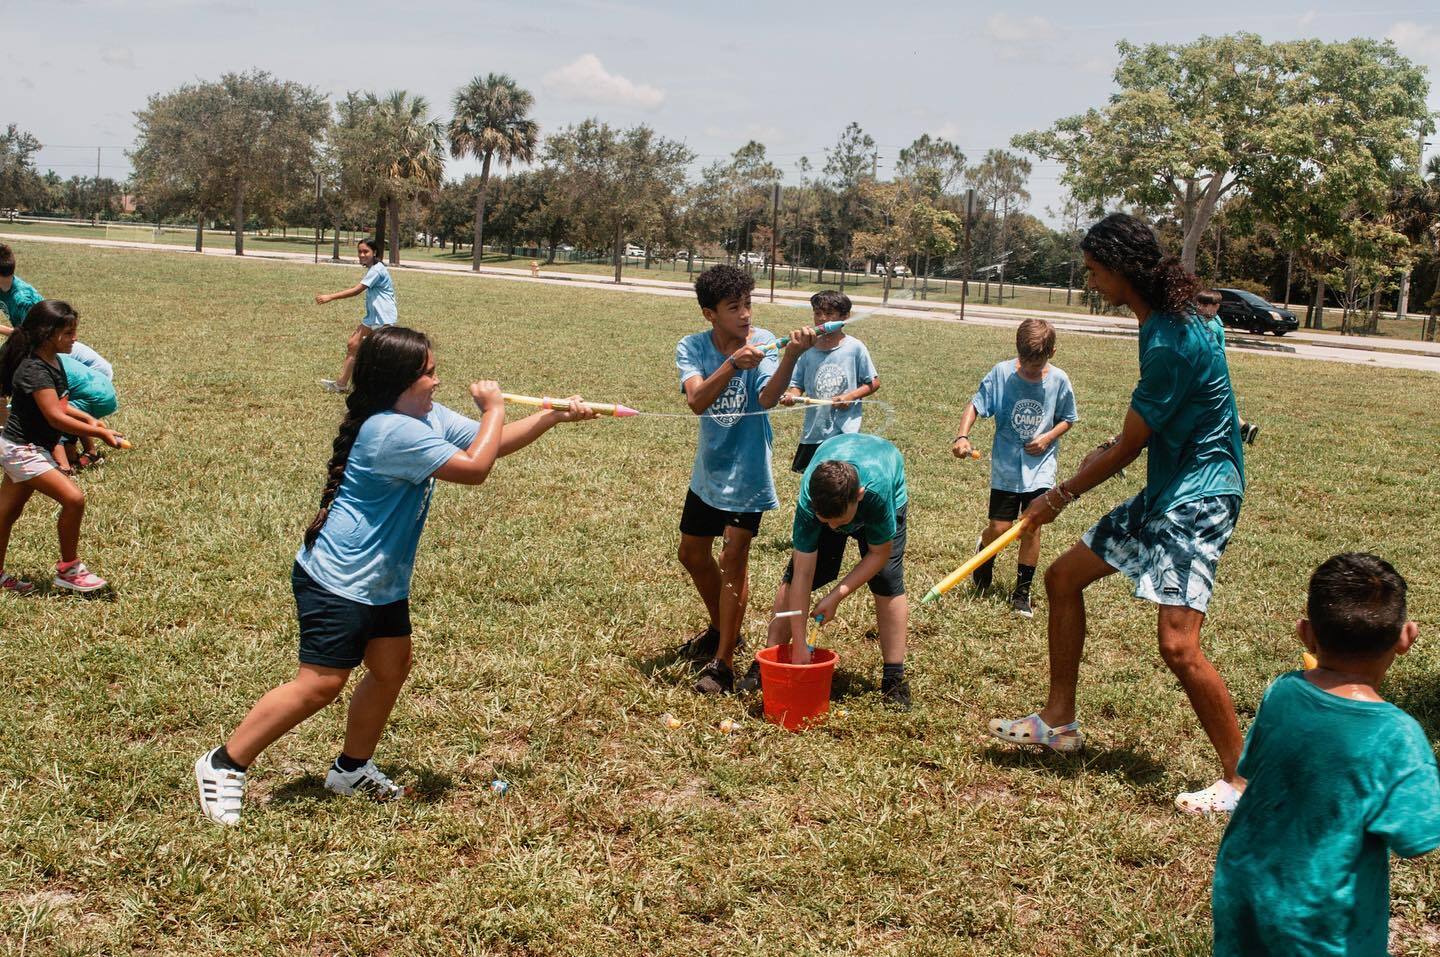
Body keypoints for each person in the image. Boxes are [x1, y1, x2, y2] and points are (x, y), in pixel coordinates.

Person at [193, 326, 597, 826]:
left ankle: (351, 769)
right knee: (319, 685)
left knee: (390, 667)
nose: (437, 381)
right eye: (428, 373)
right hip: (340, 579)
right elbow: (475, 468)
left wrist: (549, 417)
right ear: (398, 381)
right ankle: (224, 763)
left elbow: (487, 445)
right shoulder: (393, 430)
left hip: (378, 579)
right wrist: (493, 408)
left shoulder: (421, 415)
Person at [987, 213, 1249, 814]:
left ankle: (1242, 778)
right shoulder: (1171, 318)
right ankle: (1058, 722)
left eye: (1094, 269)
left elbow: (1128, 447)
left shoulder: (1171, 341)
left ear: (1123, 271)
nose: (1089, 279)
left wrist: (1057, 496)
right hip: (1169, 489)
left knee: (1179, 646)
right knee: (1062, 577)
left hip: (1201, 495)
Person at [1212, 553, 1440, 955]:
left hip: (1245, 894)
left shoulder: (1281, 693)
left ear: (1306, 633)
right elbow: (1415, 838)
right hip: (1325, 928)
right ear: (1407, 636)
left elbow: (1254, 770)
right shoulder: (1398, 736)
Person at [674, 264, 814, 695]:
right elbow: (697, 400)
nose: (746, 314)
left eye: (748, 304)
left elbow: (768, 398)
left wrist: (789, 355)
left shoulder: (764, 342)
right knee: (692, 554)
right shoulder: (692, 347)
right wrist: (732, 365)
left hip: (749, 474)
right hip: (708, 472)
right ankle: (722, 627)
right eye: (734, 307)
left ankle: (722, 663)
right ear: (709, 313)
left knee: (734, 556)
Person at [742, 433, 912, 709]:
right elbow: (803, 574)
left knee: (887, 581)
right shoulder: (811, 500)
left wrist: (835, 596)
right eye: (826, 521)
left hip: (883, 469)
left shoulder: (877, 494)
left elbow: (879, 554)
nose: (833, 528)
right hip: (835, 488)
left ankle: (894, 677)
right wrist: (799, 643)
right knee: (793, 576)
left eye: (839, 521)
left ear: (859, 496)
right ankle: (769, 659)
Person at [951, 319, 1077, 617]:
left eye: (1038, 364)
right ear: (1017, 351)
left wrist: (1047, 437)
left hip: (1041, 467)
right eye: (1026, 362)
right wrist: (962, 435)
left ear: (1053, 352)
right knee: (1000, 528)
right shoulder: (1002, 373)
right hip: (1006, 467)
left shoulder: (1059, 380)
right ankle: (984, 549)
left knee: (1030, 526)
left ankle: (1022, 593)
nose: (1032, 370)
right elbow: (975, 405)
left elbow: (1068, 418)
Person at [0, 301, 123, 596]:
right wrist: (99, 433)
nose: (74, 338)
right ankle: (69, 570)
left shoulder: (53, 362)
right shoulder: (33, 370)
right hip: (22, 450)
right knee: (74, 498)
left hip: (31, 448)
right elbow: (54, 417)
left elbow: (63, 407)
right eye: (69, 333)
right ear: (48, 334)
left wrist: (92, 421)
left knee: (5, 512)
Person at [781, 290, 879, 474]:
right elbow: (797, 385)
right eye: (818, 313)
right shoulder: (806, 349)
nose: (822, 319)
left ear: (844, 317)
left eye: (829, 314)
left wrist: (850, 396)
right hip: (814, 431)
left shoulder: (854, 348)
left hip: (845, 432)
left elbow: (873, 383)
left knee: (841, 480)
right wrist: (792, 396)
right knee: (811, 479)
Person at [317, 238, 396, 394]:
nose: (361, 254)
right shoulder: (374, 268)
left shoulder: (377, 270)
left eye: (365, 251)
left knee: (383, 357)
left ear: (375, 253)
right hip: (372, 317)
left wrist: (330, 297)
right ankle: (341, 385)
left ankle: (393, 389)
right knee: (353, 344)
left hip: (383, 318)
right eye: (359, 251)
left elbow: (357, 290)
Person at [1195, 291, 1259, 444]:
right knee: (1224, 400)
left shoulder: (1210, 326)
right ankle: (1243, 427)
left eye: (1205, 305)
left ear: (1216, 306)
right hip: (1217, 370)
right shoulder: (1214, 319)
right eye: (1199, 304)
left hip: (1211, 370)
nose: (1200, 307)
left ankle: (1241, 428)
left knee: (1218, 402)